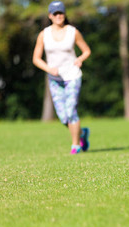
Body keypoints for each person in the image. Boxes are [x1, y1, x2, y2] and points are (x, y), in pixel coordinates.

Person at [33, 1, 91, 154]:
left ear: (65, 14)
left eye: (61, 13)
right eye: (55, 13)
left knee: (71, 110)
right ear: (50, 16)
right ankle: (82, 133)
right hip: (55, 79)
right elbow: (36, 58)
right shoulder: (43, 34)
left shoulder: (73, 32)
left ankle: (75, 145)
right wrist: (48, 68)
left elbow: (86, 51)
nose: (59, 16)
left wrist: (80, 59)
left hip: (72, 75)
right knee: (63, 117)